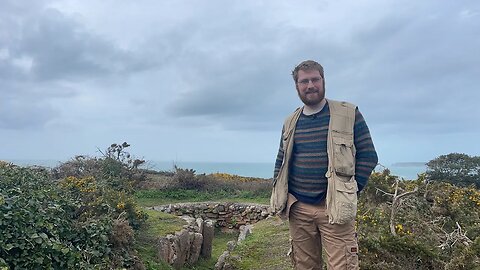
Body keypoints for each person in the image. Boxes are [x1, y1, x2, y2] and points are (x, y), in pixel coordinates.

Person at [271, 60, 378, 269]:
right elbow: (281, 159)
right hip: (298, 209)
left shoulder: (348, 113)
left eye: (315, 79)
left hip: (334, 208)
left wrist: (351, 192)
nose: (310, 85)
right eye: (304, 81)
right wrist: (280, 191)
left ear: (323, 80)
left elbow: (368, 155)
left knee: (343, 266)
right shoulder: (290, 121)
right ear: (297, 86)